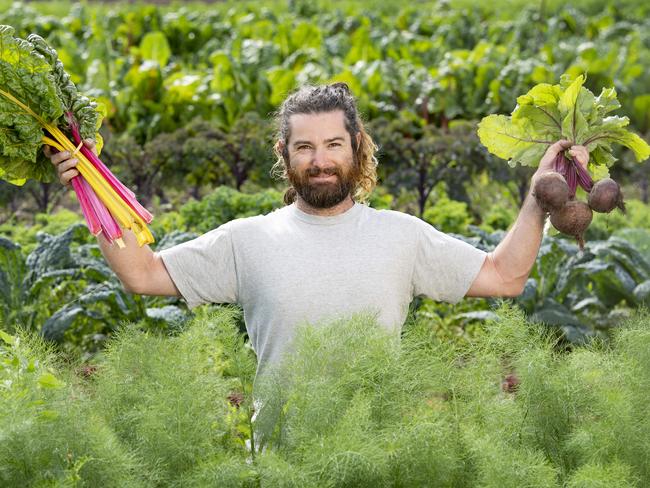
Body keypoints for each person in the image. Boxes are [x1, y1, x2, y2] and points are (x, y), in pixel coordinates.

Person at [45, 83, 589, 379]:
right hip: (280, 460)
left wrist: (543, 192)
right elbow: (142, 274)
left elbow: (505, 276)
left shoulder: (401, 235)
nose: (320, 160)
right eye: (304, 146)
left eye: (333, 145)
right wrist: (87, 185)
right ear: (285, 155)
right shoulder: (247, 239)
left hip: (380, 450)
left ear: (356, 149)